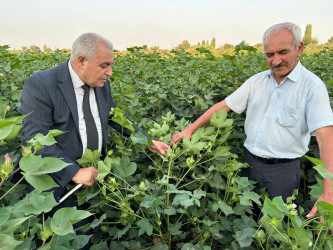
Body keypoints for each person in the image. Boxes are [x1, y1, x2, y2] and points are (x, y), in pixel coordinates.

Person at [170, 22, 333, 220]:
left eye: (283, 52)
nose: (275, 61)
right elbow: (224, 106)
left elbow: (326, 139)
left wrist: (329, 193)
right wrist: (189, 130)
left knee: (275, 228)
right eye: (269, 54)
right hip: (249, 164)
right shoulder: (257, 81)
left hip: (283, 171)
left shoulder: (313, 88)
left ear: (299, 49)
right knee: (248, 219)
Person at [17, 32, 171, 201]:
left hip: (94, 181)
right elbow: (34, 139)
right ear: (81, 61)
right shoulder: (42, 84)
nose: (110, 72)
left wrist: (147, 140)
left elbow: (115, 117)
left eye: (111, 65)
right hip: (55, 187)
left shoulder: (101, 84)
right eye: (104, 66)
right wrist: (74, 172)